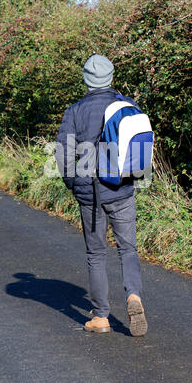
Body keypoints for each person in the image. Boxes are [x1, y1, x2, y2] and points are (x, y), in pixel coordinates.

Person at [55, 54, 147, 336]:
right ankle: (133, 296)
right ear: (110, 77)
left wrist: (74, 185)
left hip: (91, 196)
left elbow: (63, 154)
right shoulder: (127, 105)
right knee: (128, 249)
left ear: (86, 79)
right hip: (122, 189)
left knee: (96, 253)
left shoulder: (75, 111)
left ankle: (102, 317)